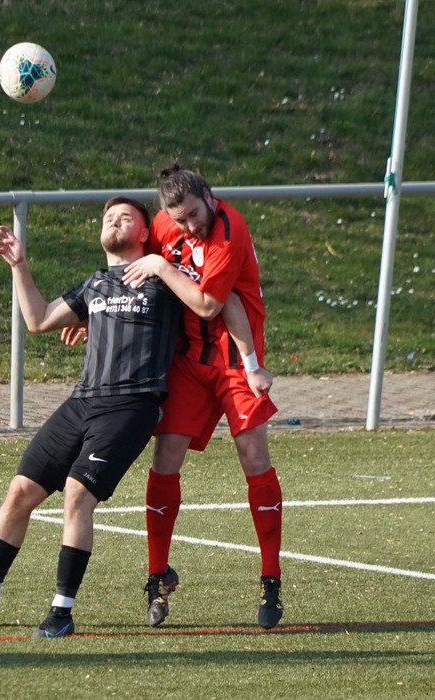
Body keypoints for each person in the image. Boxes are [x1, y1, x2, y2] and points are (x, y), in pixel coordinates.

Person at [0, 197, 182, 638]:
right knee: (20, 490)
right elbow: (37, 320)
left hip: (131, 405)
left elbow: (208, 304)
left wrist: (163, 267)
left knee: (76, 494)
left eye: (126, 216)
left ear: (145, 233)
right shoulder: (96, 284)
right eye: (108, 216)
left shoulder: (163, 279)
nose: (114, 220)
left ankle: (61, 613)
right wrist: (20, 265)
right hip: (82, 401)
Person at [121, 164, 284, 629]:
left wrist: (162, 265)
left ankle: (270, 578)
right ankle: (157, 575)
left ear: (209, 196)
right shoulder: (163, 224)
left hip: (236, 358)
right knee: (165, 457)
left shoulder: (230, 230)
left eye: (195, 213)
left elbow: (214, 304)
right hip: (187, 357)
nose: (190, 225)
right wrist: (91, 315)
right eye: (181, 219)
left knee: (254, 457)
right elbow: (130, 272)